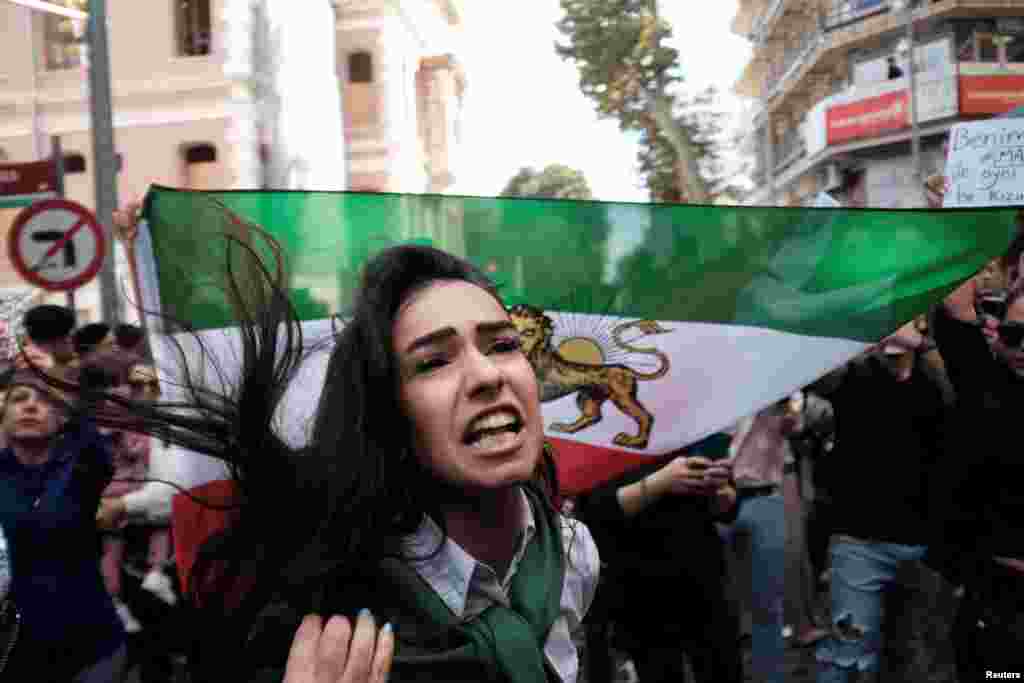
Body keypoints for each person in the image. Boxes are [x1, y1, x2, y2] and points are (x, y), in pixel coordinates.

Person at [77, 217, 600, 682]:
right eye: (433, 361)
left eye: (503, 346)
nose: (487, 374)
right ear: (389, 411)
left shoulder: (572, 554)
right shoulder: (318, 611)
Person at [811, 321, 948, 683]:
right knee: (849, 660)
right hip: (859, 545)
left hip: (926, 548)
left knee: (919, 663)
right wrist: (861, 340)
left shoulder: (935, 376)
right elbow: (814, 376)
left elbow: (960, 402)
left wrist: (922, 346)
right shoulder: (855, 374)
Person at [577, 437, 742, 683]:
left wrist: (721, 493)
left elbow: (726, 506)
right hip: (641, 590)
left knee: (722, 668)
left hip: (704, 578)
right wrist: (662, 481)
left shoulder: (694, 422)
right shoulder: (602, 434)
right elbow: (597, 513)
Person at [0, 369, 127, 681]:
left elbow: (99, 455)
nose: (30, 406)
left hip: (92, 648)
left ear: (60, 419)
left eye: (43, 401)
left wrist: (58, 379)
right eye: (19, 399)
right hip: (18, 653)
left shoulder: (79, 468)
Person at [929, 270, 1024, 678]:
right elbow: (956, 315)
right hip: (997, 597)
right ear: (997, 335)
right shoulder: (987, 393)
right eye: (1015, 334)